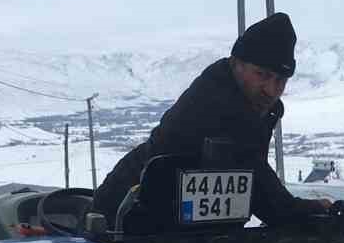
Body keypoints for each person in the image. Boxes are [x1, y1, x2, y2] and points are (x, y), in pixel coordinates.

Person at [93, 12, 329, 226]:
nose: (271, 89)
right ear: (237, 64)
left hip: (176, 226)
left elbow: (245, 184)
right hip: (125, 214)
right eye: (262, 75)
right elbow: (255, 182)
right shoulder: (217, 103)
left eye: (280, 80)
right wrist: (300, 210)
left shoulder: (250, 103)